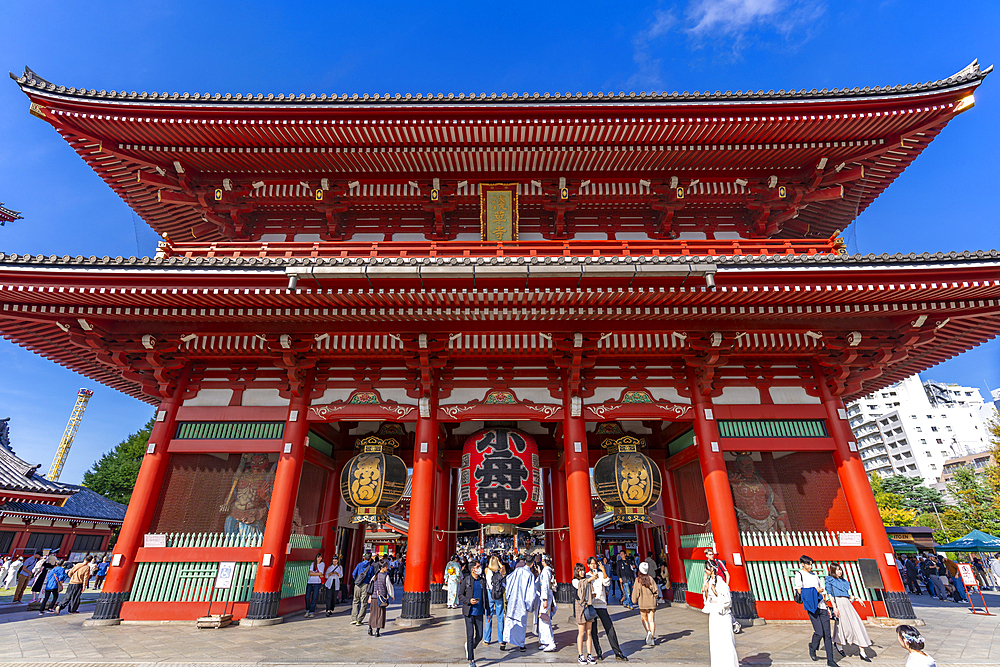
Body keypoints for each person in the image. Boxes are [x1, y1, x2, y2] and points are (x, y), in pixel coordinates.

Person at [824, 562, 872, 662]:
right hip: (839, 604)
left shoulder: (844, 582)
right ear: (833, 571)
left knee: (857, 625)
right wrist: (835, 607)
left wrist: (856, 597)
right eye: (837, 569)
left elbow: (846, 595)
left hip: (847, 604)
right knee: (842, 626)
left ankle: (862, 651)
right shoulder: (829, 580)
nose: (839, 571)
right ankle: (838, 644)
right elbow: (830, 595)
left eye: (840, 569)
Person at [793, 555, 835, 667]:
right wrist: (815, 590)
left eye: (811, 564)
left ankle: (830, 660)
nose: (811, 566)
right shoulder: (799, 574)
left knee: (827, 633)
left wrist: (827, 606)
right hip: (812, 606)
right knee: (819, 632)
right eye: (808, 564)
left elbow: (822, 591)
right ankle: (812, 646)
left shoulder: (814, 574)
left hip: (821, 605)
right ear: (802, 564)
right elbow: (799, 590)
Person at [587, 555, 628, 662]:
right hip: (592, 605)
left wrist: (603, 570)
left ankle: (617, 652)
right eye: (591, 563)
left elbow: (607, 582)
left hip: (601, 604)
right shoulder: (586, 576)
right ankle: (599, 653)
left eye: (595, 563)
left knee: (610, 628)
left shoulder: (600, 574)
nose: (594, 565)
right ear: (588, 565)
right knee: (594, 631)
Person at [703, 561, 738, 667]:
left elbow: (727, 601)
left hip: (722, 614)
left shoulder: (721, 583)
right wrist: (706, 591)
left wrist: (716, 592)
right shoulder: (708, 582)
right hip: (713, 613)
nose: (705, 570)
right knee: (715, 641)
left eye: (707, 568)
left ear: (712, 569)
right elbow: (707, 600)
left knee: (726, 640)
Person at [704, 547, 741, 634]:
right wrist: (704, 586)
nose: (711, 556)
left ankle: (734, 623)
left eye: (712, 554)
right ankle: (730, 624)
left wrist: (726, 584)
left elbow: (726, 573)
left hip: (721, 584)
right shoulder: (707, 564)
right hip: (714, 584)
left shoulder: (718, 562)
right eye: (709, 554)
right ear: (706, 555)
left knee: (725, 605)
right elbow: (705, 575)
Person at [503, 559, 537, 652]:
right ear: (532, 563)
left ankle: (504, 642)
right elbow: (531, 592)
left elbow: (508, 579)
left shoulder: (517, 571)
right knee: (521, 623)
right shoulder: (530, 575)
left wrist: (508, 594)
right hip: (522, 601)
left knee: (509, 620)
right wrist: (529, 604)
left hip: (513, 599)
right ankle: (521, 645)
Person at [458, 560, 486, 667]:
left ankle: (470, 647)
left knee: (479, 635)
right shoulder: (466, 580)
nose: (480, 568)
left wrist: (487, 610)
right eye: (478, 566)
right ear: (472, 569)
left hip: (479, 611)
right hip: (469, 611)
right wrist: (468, 601)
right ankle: (471, 659)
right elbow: (460, 595)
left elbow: (485, 597)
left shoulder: (482, 581)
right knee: (470, 635)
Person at [573, 562, 598, 665]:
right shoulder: (575, 581)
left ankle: (589, 654)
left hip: (588, 605)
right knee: (581, 632)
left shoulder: (588, 580)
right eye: (580, 570)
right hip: (580, 606)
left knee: (589, 632)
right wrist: (590, 579)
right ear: (576, 571)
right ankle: (580, 654)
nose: (582, 572)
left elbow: (589, 589)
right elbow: (580, 586)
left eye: (583, 570)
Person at [632, 561, 659, 646]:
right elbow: (656, 591)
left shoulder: (638, 580)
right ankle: (652, 639)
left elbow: (636, 592)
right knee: (652, 620)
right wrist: (655, 596)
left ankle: (648, 632)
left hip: (643, 602)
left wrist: (634, 601)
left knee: (644, 619)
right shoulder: (650, 579)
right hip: (651, 602)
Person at [536, 553, 557, 652]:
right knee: (543, 619)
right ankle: (544, 641)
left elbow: (545, 585)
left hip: (546, 597)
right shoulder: (548, 571)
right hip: (546, 596)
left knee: (545, 620)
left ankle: (550, 642)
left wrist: (545, 599)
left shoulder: (546, 571)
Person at [484, 555, 505, 647]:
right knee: (500, 616)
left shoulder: (486, 570)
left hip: (489, 593)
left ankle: (486, 639)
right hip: (498, 593)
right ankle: (501, 639)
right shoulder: (500, 571)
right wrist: (499, 563)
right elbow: (503, 569)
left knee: (489, 616)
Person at [368, 560, 393, 637]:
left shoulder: (375, 576)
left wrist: (370, 596)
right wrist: (392, 595)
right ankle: (377, 631)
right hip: (381, 597)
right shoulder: (386, 576)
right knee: (380, 614)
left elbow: (371, 587)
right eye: (386, 566)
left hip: (374, 597)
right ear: (383, 568)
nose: (387, 568)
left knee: (373, 613)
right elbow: (389, 586)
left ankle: (370, 628)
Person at [350, 556, 376, 625]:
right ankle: (359, 620)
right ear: (370, 559)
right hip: (365, 585)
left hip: (357, 585)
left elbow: (354, 574)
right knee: (363, 602)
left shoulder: (359, 565)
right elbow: (372, 576)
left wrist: (358, 580)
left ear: (364, 558)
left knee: (355, 601)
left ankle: (354, 618)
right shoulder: (370, 567)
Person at [304, 552, 324, 618]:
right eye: (318, 557)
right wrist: (318, 574)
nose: (319, 558)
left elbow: (321, 573)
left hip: (317, 582)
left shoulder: (322, 564)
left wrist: (315, 573)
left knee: (314, 597)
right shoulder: (313, 564)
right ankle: (307, 610)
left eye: (320, 557)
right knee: (307, 597)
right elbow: (310, 573)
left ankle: (311, 611)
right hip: (310, 582)